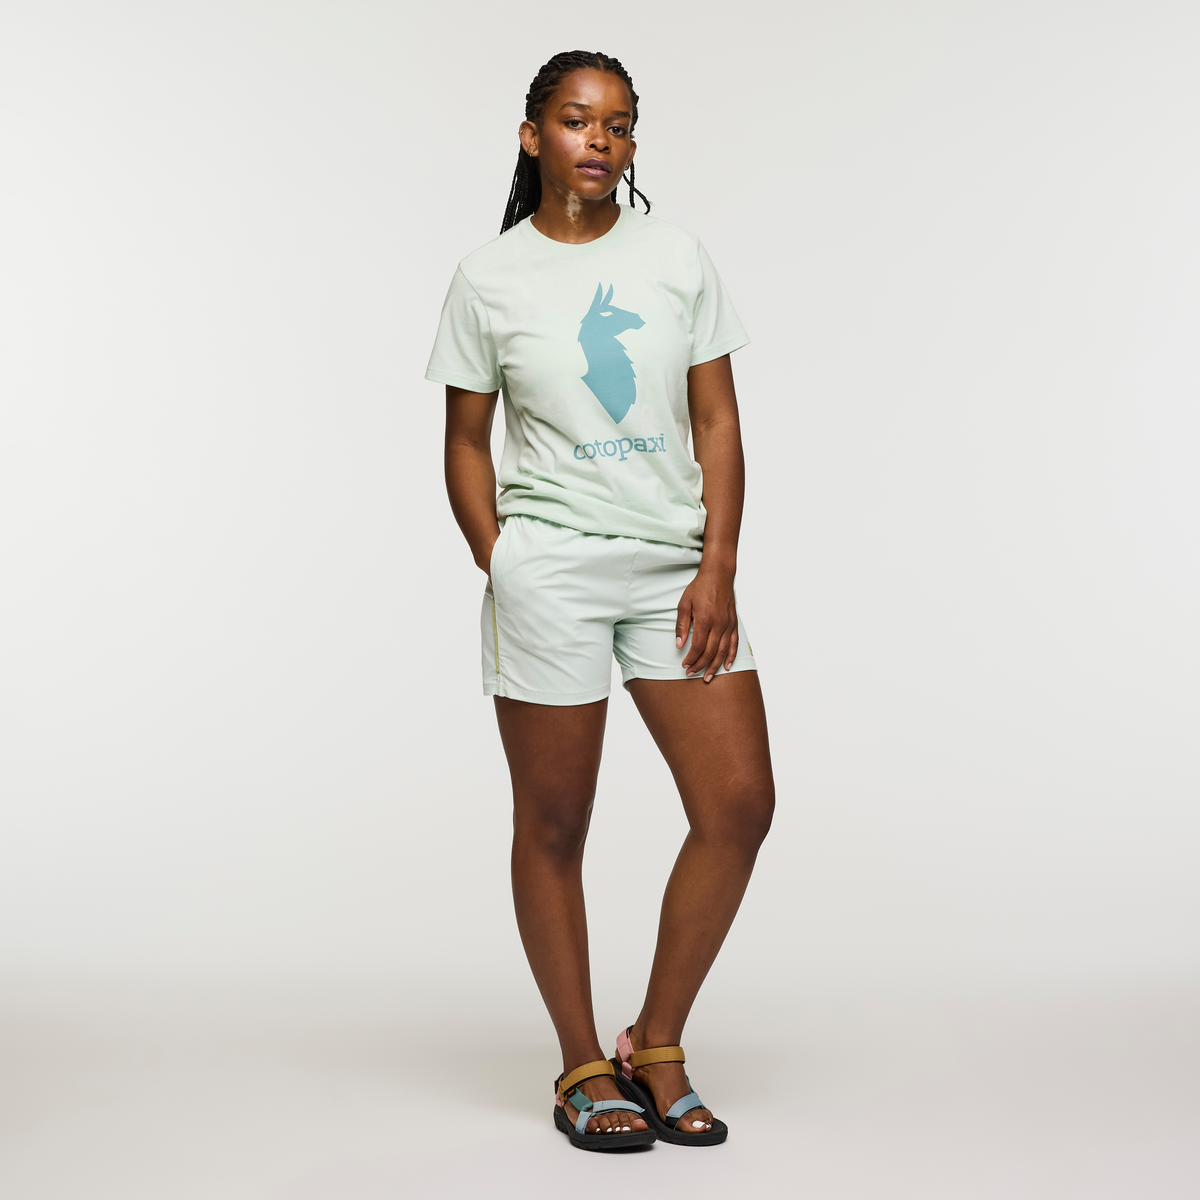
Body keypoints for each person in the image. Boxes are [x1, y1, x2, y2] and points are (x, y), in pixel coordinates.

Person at [427, 50, 774, 1151]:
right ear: (533, 135)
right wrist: (503, 561)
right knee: (555, 822)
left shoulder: (675, 257)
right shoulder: (488, 278)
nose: (600, 140)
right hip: (551, 573)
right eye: (578, 120)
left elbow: (717, 423)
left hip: (674, 567)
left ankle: (655, 1043)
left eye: (619, 124)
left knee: (738, 805)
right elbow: (466, 441)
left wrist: (717, 566)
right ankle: (583, 1062)